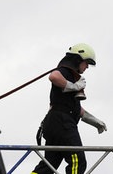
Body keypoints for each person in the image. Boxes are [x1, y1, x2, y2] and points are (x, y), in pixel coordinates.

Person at [31, 43, 107, 174]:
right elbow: (53, 77)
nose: (87, 66)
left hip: (54, 122)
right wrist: (75, 86)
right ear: (78, 60)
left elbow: (74, 107)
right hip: (63, 123)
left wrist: (95, 121)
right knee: (77, 160)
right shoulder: (66, 71)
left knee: (49, 165)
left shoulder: (71, 76)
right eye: (86, 62)